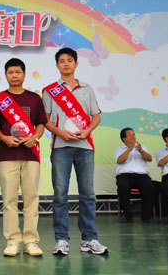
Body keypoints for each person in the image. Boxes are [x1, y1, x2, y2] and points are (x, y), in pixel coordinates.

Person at [42, 47, 108, 256]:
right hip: (60, 147)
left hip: (84, 147)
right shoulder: (50, 90)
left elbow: (96, 116)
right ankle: (61, 239)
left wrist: (87, 131)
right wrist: (61, 132)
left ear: (76, 64)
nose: (66, 63)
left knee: (88, 194)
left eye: (69, 60)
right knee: (60, 194)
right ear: (57, 65)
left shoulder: (87, 88)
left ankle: (89, 239)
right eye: (62, 61)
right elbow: (45, 120)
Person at [0, 58, 46, 257]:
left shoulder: (34, 98)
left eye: (18, 72)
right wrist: (4, 138)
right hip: (7, 155)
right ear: (5, 75)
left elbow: (41, 124)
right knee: (9, 200)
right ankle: (13, 240)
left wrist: (35, 137)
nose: (14, 75)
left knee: (31, 198)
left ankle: (31, 241)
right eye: (10, 72)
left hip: (31, 155)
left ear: (24, 74)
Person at [115, 127, 155, 223]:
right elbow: (120, 160)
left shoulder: (142, 147)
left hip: (142, 176)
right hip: (124, 175)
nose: (133, 137)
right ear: (124, 139)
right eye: (130, 135)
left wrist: (141, 150)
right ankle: (127, 216)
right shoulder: (119, 149)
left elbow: (149, 158)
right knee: (123, 187)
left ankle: (146, 216)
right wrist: (129, 149)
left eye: (134, 135)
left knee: (149, 186)